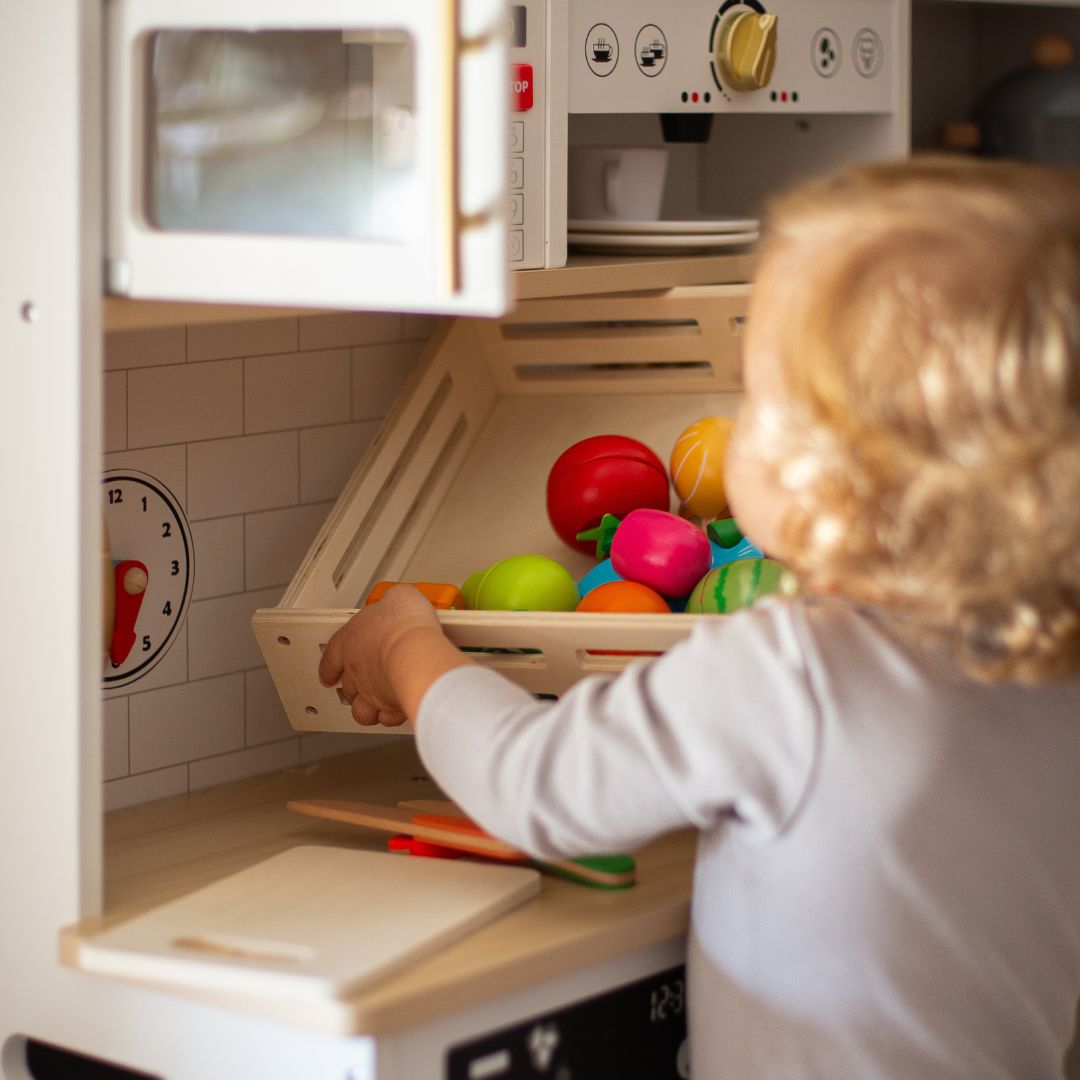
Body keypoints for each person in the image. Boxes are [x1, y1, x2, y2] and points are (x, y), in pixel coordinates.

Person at [319, 157, 1080, 1079]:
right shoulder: (1054, 665)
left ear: (833, 472)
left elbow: (537, 786)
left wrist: (405, 644)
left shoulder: (792, 670)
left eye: (755, 396)